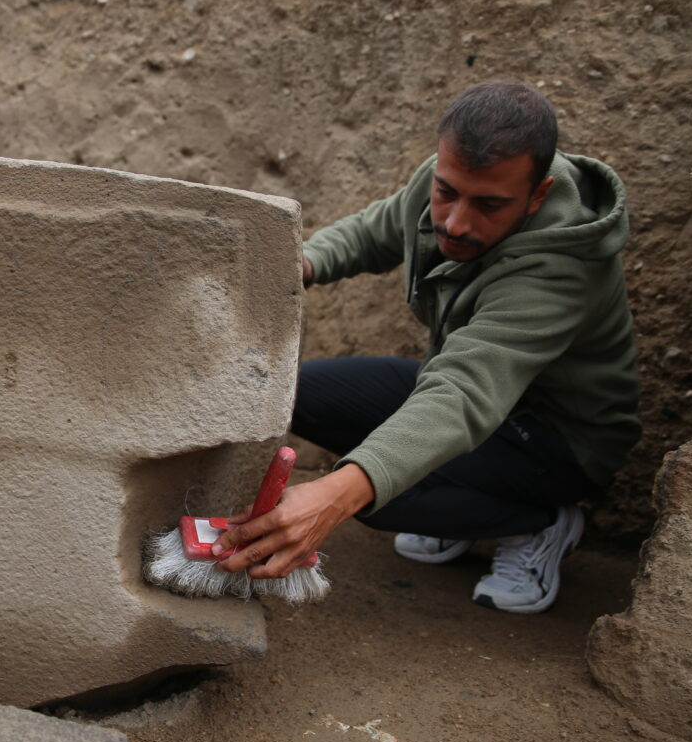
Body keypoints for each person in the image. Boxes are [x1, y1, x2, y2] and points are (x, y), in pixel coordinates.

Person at [212, 80, 640, 613]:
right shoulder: (450, 179)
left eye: (489, 205)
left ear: (538, 195)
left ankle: (542, 522)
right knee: (292, 394)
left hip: (554, 439)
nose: (456, 222)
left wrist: (336, 496)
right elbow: (375, 231)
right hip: (470, 394)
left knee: (375, 492)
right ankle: (464, 508)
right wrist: (301, 264)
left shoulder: (561, 272)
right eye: (446, 193)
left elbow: (462, 392)